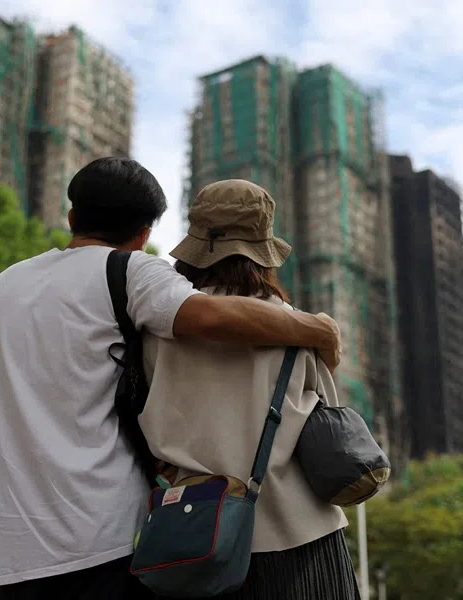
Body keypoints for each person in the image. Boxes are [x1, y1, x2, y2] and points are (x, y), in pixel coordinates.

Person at [0, 158, 342, 600]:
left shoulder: (5, 285)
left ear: (72, 217)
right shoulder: (132, 275)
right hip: (111, 541)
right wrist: (319, 329)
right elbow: (211, 319)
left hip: (14, 552)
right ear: (145, 234)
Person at [139, 179, 361, 600]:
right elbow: (328, 414)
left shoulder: (157, 330)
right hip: (300, 534)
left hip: (194, 537)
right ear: (262, 253)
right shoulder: (295, 327)